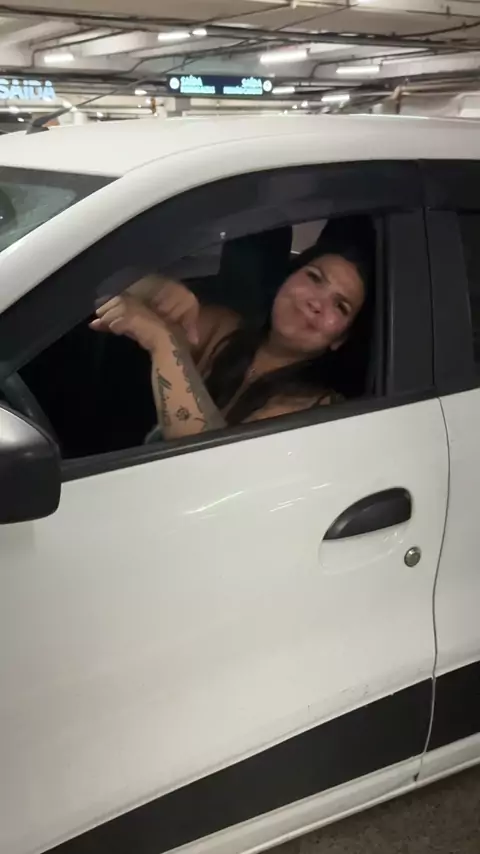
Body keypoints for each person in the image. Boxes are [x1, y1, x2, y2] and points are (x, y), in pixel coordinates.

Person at [91, 222, 374, 441]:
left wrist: (162, 341)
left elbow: (209, 463)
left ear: (341, 338)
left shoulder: (319, 410)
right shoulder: (225, 329)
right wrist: (158, 289)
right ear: (288, 277)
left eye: (340, 306)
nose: (316, 302)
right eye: (314, 277)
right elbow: (104, 279)